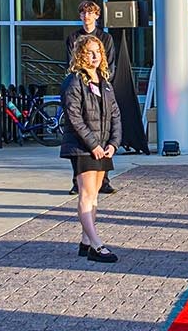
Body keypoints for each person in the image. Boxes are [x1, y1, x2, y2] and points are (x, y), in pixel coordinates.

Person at [60, 35, 120, 263]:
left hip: (103, 146)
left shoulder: (104, 82)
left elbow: (115, 114)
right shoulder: (74, 82)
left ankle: (86, 242)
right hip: (83, 148)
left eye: (98, 52)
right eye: (89, 52)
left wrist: (113, 143)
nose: (95, 57)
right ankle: (96, 244)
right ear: (80, 55)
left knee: (94, 196)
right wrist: (93, 145)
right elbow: (74, 117)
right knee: (86, 195)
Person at [65, 1, 117, 196]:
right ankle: (77, 180)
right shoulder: (73, 38)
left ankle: (103, 179)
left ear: (97, 16)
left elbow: (109, 63)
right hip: (82, 88)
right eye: (83, 13)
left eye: (90, 13)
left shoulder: (105, 38)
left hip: (100, 87)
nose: (86, 16)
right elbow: (70, 63)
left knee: (102, 129)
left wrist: (102, 84)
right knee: (81, 133)